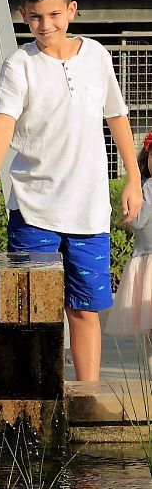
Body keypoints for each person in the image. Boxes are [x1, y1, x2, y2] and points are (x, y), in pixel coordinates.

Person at [0, 0, 142, 383]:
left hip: (88, 212)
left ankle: (88, 395)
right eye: (35, 16)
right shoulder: (20, 64)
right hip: (34, 211)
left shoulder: (97, 56)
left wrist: (133, 178)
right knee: (34, 309)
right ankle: (39, 396)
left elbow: (117, 117)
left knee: (85, 310)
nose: (45, 24)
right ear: (23, 15)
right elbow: (3, 122)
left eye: (53, 14)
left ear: (71, 10)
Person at [105, 132, 152, 338]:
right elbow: (138, 221)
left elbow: (137, 221)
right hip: (147, 260)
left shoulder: (146, 187)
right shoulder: (144, 186)